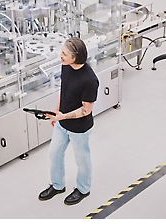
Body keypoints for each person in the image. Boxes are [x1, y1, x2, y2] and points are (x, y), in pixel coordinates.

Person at [38, 37, 99, 205]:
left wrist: (62, 116)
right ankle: (58, 185)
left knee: (82, 159)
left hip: (79, 128)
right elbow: (64, 90)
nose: (60, 55)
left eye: (64, 53)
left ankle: (83, 189)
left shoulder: (89, 80)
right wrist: (57, 111)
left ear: (75, 57)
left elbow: (86, 110)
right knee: (54, 153)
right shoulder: (66, 66)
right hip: (61, 123)